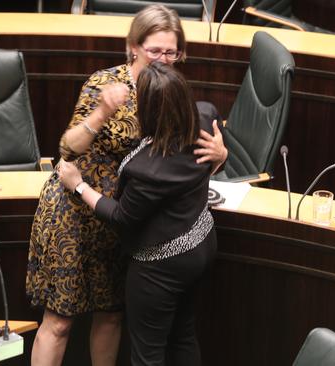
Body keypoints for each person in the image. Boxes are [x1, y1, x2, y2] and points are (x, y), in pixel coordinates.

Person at [25, 5, 227, 366]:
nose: (163, 59)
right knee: (59, 322)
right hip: (77, 211)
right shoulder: (104, 84)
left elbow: (186, 161)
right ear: (133, 46)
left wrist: (220, 155)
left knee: (112, 314)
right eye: (155, 51)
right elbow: (66, 149)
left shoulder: (172, 91)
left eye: (171, 52)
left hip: (129, 217)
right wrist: (101, 113)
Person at [58, 61, 216, 366]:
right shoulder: (205, 117)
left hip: (160, 267)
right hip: (201, 244)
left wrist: (78, 185)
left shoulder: (149, 168)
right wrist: (222, 154)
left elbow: (121, 216)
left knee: (148, 353)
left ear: (149, 109)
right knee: (183, 335)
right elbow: (217, 147)